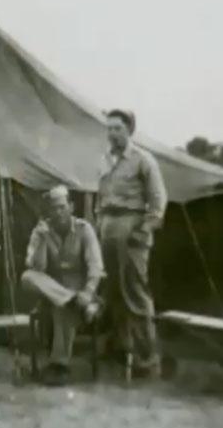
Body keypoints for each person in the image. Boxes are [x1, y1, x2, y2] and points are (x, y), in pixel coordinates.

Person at [97, 109, 168, 378]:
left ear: (129, 130)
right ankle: (120, 347)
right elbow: (100, 195)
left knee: (135, 293)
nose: (112, 133)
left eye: (117, 128)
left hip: (132, 227)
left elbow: (158, 202)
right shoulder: (105, 159)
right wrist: (99, 222)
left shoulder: (143, 160)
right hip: (108, 226)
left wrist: (143, 230)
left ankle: (147, 359)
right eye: (109, 128)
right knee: (113, 290)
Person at [21, 185, 104, 386]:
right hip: (51, 287)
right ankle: (71, 301)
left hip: (79, 287)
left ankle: (59, 365)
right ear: (47, 211)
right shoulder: (40, 231)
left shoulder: (85, 229)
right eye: (53, 208)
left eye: (62, 207)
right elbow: (36, 268)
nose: (57, 213)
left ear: (71, 207)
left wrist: (88, 292)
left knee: (62, 307)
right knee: (27, 277)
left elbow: (96, 265)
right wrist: (41, 240)